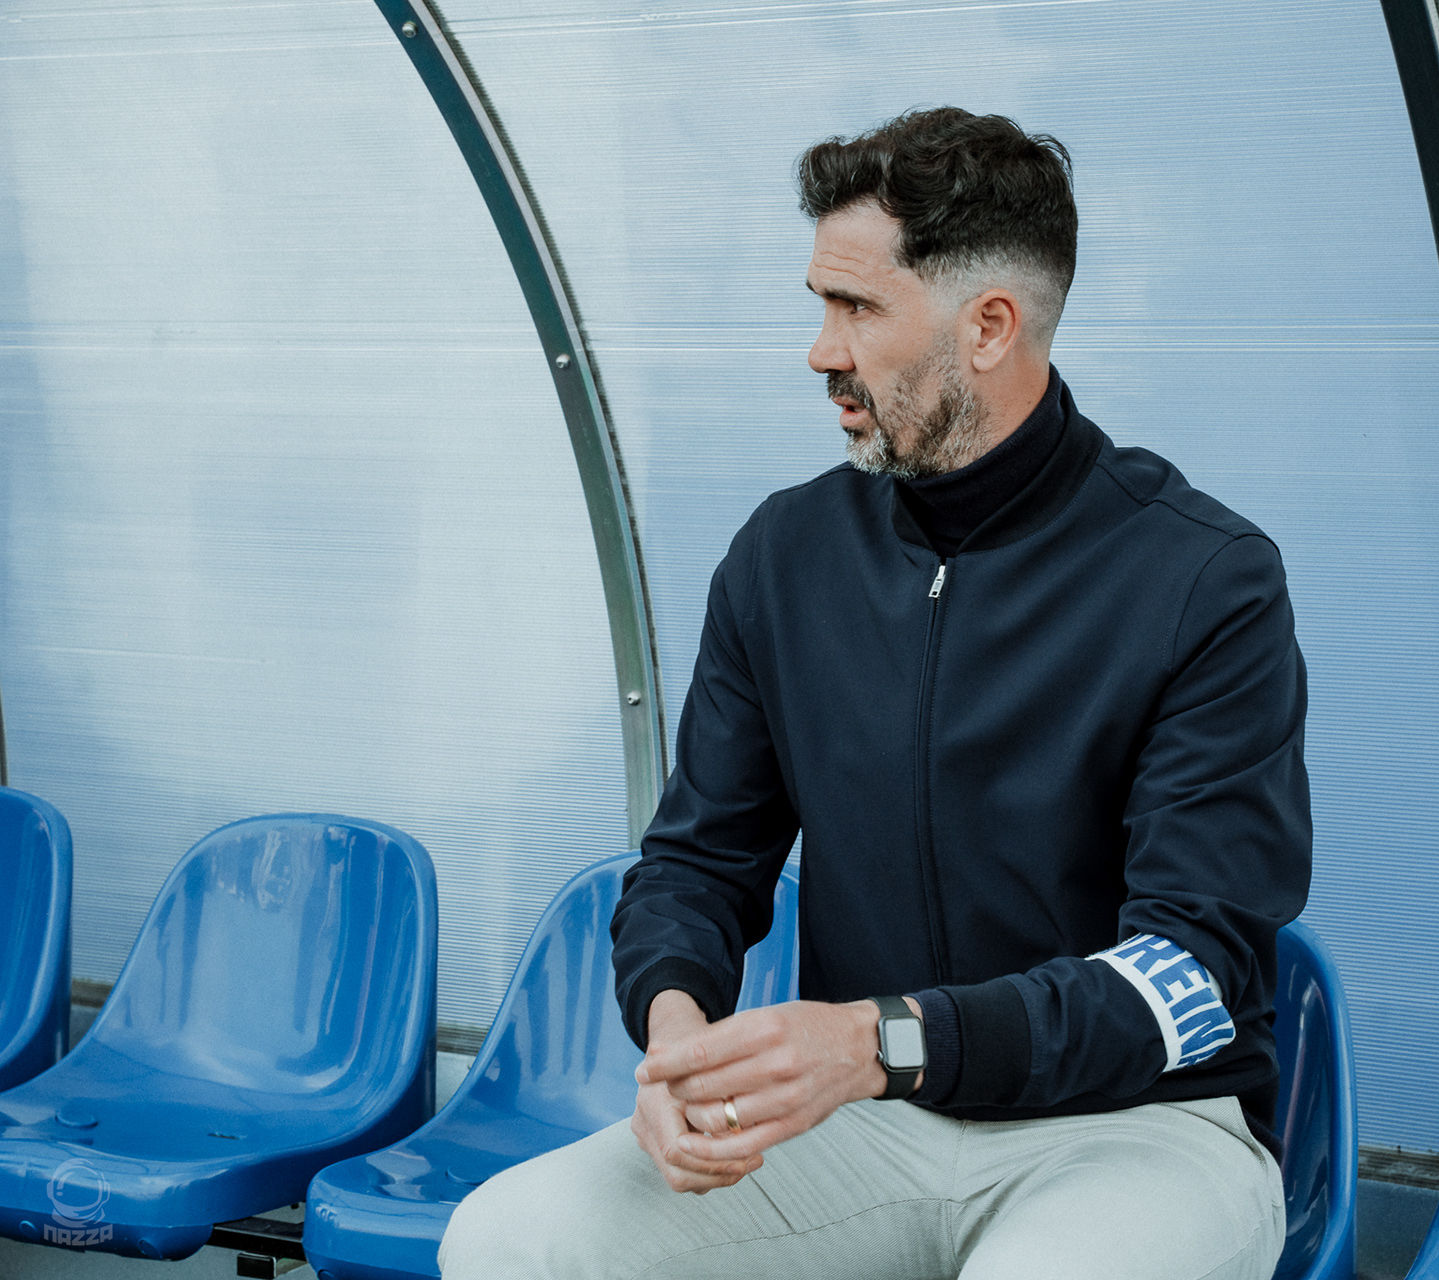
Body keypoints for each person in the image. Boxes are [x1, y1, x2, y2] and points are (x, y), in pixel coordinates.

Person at [440, 106, 1311, 1280]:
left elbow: (1193, 972)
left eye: (856, 308)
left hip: (1136, 1131)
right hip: (868, 1124)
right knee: (509, 1238)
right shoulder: (784, 556)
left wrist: (879, 1039)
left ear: (988, 326)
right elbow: (695, 864)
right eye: (821, 303)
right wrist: (676, 1038)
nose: (821, 351)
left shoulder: (1206, 578)